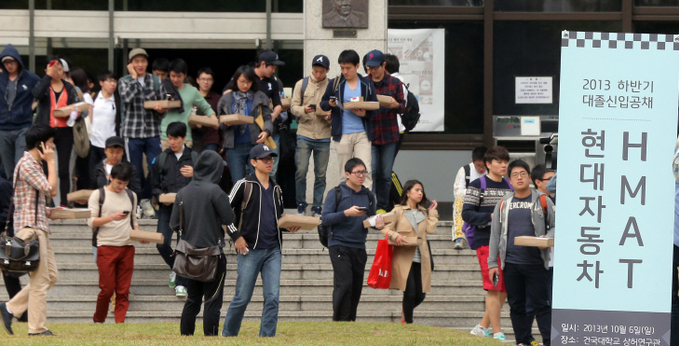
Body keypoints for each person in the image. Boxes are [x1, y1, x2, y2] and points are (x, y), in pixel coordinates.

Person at [222, 144, 301, 337]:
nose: (269, 162)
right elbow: (223, 213)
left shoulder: (277, 189)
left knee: (273, 297)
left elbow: (277, 218)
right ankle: (228, 335)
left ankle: (267, 337)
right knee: (242, 297)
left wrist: (288, 226)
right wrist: (236, 237)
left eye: (271, 158)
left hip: (273, 250)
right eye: (264, 159)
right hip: (249, 250)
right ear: (253, 162)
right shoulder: (244, 184)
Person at [0, 124, 59, 336]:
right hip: (31, 229)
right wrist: (52, 163)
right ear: (40, 144)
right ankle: (36, 329)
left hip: (39, 225)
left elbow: (39, 196)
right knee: (41, 280)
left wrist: (48, 210)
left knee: (51, 276)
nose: (52, 148)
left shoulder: (34, 164)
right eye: (50, 143)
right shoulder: (28, 164)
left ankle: (10, 308)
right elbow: (52, 188)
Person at [488, 160, 554, 346]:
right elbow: (495, 234)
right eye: (515, 174)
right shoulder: (503, 203)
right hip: (511, 264)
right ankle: (522, 341)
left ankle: (549, 341)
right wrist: (492, 263)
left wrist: (545, 237)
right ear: (509, 179)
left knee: (542, 305)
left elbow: (556, 226)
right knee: (516, 306)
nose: (519, 177)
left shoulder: (542, 200)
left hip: (536, 263)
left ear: (530, 177)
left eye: (523, 173)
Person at [170, 150, 235, 336]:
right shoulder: (215, 191)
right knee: (212, 301)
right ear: (215, 170)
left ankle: (186, 337)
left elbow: (174, 224)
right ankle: (211, 339)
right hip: (212, 256)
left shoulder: (182, 193)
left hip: (189, 256)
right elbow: (229, 218)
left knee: (192, 301)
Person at [321, 158, 382, 321]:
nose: (361, 176)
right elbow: (325, 219)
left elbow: (370, 219)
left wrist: (379, 223)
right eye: (357, 172)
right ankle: (339, 321)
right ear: (347, 174)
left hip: (359, 246)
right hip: (339, 244)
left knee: (355, 287)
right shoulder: (336, 193)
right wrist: (346, 213)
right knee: (344, 283)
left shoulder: (368, 195)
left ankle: (350, 321)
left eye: (364, 172)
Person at [463, 145, 512, 341]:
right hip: (486, 241)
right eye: (499, 162)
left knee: (504, 288)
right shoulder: (477, 185)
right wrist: (491, 216)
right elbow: (466, 213)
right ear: (488, 164)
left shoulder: (509, 185)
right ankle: (498, 332)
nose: (503, 165)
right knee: (494, 286)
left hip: (507, 242)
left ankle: (483, 326)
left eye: (505, 162)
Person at [88, 163, 142, 324]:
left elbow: (134, 220)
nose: (122, 186)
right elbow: (91, 222)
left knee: (124, 289)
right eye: (119, 183)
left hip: (127, 246)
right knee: (107, 288)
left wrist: (140, 234)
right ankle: (99, 320)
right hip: (105, 246)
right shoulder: (99, 195)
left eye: (125, 183)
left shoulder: (131, 195)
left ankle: (120, 322)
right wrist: (112, 217)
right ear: (110, 178)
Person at [148, 122, 197, 298]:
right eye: (169, 138)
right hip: (167, 208)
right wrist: (161, 196)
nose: (172, 142)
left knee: (184, 246)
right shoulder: (161, 158)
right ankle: (176, 269)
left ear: (184, 138)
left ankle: (181, 284)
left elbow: (209, 181)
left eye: (175, 138)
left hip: (189, 208)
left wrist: (196, 173)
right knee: (162, 243)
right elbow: (153, 185)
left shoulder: (195, 158)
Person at [381, 179, 438, 324]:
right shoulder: (398, 210)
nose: (420, 193)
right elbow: (384, 228)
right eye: (417, 190)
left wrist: (433, 212)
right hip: (404, 258)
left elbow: (430, 230)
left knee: (421, 294)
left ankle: (405, 312)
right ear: (408, 192)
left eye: (421, 190)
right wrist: (395, 235)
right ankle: (408, 323)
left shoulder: (423, 212)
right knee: (410, 292)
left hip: (421, 257)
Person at [320, 49, 378, 189]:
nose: (345, 71)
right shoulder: (336, 83)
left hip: (362, 133)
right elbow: (323, 103)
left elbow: (375, 107)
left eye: (348, 68)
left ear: (357, 66)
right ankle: (346, 205)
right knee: (345, 172)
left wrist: (364, 114)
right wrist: (330, 104)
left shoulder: (366, 84)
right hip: (343, 133)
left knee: (365, 171)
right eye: (342, 68)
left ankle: (366, 204)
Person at [118, 48, 168, 201]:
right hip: (132, 133)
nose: (140, 64)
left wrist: (161, 110)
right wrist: (134, 78)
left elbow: (164, 105)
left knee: (156, 166)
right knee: (135, 170)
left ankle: (146, 198)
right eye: (136, 61)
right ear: (130, 64)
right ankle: (137, 201)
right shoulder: (124, 81)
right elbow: (127, 98)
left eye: (143, 61)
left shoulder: (155, 80)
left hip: (152, 131)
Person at [32, 57, 81, 207]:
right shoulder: (44, 86)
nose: (57, 72)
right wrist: (48, 77)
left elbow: (77, 107)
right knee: (46, 167)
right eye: (54, 69)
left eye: (60, 69)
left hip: (65, 130)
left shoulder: (69, 87)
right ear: (47, 70)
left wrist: (75, 113)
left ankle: (64, 203)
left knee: (64, 169)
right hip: (47, 131)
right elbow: (36, 94)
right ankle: (48, 202)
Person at [290, 55, 332, 216]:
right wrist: (303, 110)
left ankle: (317, 206)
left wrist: (329, 115)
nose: (318, 74)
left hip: (324, 134)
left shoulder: (331, 86)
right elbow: (293, 107)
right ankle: (301, 204)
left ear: (327, 71)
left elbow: (336, 108)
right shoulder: (302, 84)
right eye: (315, 71)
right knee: (301, 170)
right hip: (304, 132)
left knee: (320, 174)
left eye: (321, 71)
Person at [365, 49, 406, 214]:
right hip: (370, 133)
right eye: (369, 68)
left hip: (389, 134)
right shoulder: (364, 83)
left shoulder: (395, 83)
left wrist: (395, 105)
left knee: (386, 174)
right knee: (371, 171)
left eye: (375, 67)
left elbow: (404, 107)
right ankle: (370, 205)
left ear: (384, 66)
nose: (372, 71)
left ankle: (382, 206)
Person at [217, 65, 272, 185]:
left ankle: (259, 203)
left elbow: (268, 118)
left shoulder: (260, 96)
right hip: (234, 146)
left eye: (248, 82)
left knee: (259, 180)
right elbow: (220, 122)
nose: (245, 85)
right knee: (238, 183)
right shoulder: (226, 98)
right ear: (236, 80)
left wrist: (266, 131)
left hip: (255, 144)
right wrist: (226, 123)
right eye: (242, 81)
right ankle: (241, 204)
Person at [0, 44, 40, 182]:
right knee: (8, 168)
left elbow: (42, 92)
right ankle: (12, 200)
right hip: (3, 129)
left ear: (18, 61)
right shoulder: (1, 79)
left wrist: (32, 108)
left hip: (23, 127)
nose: (9, 65)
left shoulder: (30, 78)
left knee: (20, 166)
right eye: (5, 62)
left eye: (11, 61)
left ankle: (20, 200)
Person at [160, 59, 217, 151]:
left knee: (184, 165)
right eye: (173, 76)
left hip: (185, 139)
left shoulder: (192, 91)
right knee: (165, 165)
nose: (175, 79)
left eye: (179, 76)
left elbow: (206, 107)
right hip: (165, 138)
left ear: (185, 75)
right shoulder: (162, 88)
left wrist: (215, 120)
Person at [252, 51, 285, 178]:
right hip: (252, 131)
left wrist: (270, 118)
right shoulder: (247, 77)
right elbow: (228, 92)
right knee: (252, 169)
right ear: (263, 64)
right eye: (272, 67)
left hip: (271, 132)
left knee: (271, 170)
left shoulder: (274, 82)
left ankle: (271, 196)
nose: (273, 70)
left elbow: (278, 105)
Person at [0, 173, 27, 323]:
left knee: (11, 281)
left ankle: (22, 317)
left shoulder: (3, 185)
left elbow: (8, 212)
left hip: (5, 240)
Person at [453, 146, 488, 249]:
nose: (481, 169)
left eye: (484, 166)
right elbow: (458, 192)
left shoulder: (493, 171)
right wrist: (474, 193)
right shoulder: (465, 171)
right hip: (469, 202)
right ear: (472, 161)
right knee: (458, 201)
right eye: (478, 166)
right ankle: (459, 237)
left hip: (487, 203)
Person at [89, 72, 121, 181]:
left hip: (110, 145)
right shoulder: (93, 98)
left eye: (114, 81)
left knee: (110, 174)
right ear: (101, 83)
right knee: (93, 173)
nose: (113, 84)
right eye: (109, 81)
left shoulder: (117, 101)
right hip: (93, 142)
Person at [194, 67, 223, 153]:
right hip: (193, 140)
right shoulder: (191, 97)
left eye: (209, 79)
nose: (206, 82)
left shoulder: (218, 99)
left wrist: (222, 143)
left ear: (213, 81)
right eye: (203, 79)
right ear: (197, 80)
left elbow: (222, 122)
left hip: (211, 141)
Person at [383, 53, 407, 156]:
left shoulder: (395, 84)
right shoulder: (402, 82)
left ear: (384, 67)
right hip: (398, 128)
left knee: (385, 165)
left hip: (392, 128)